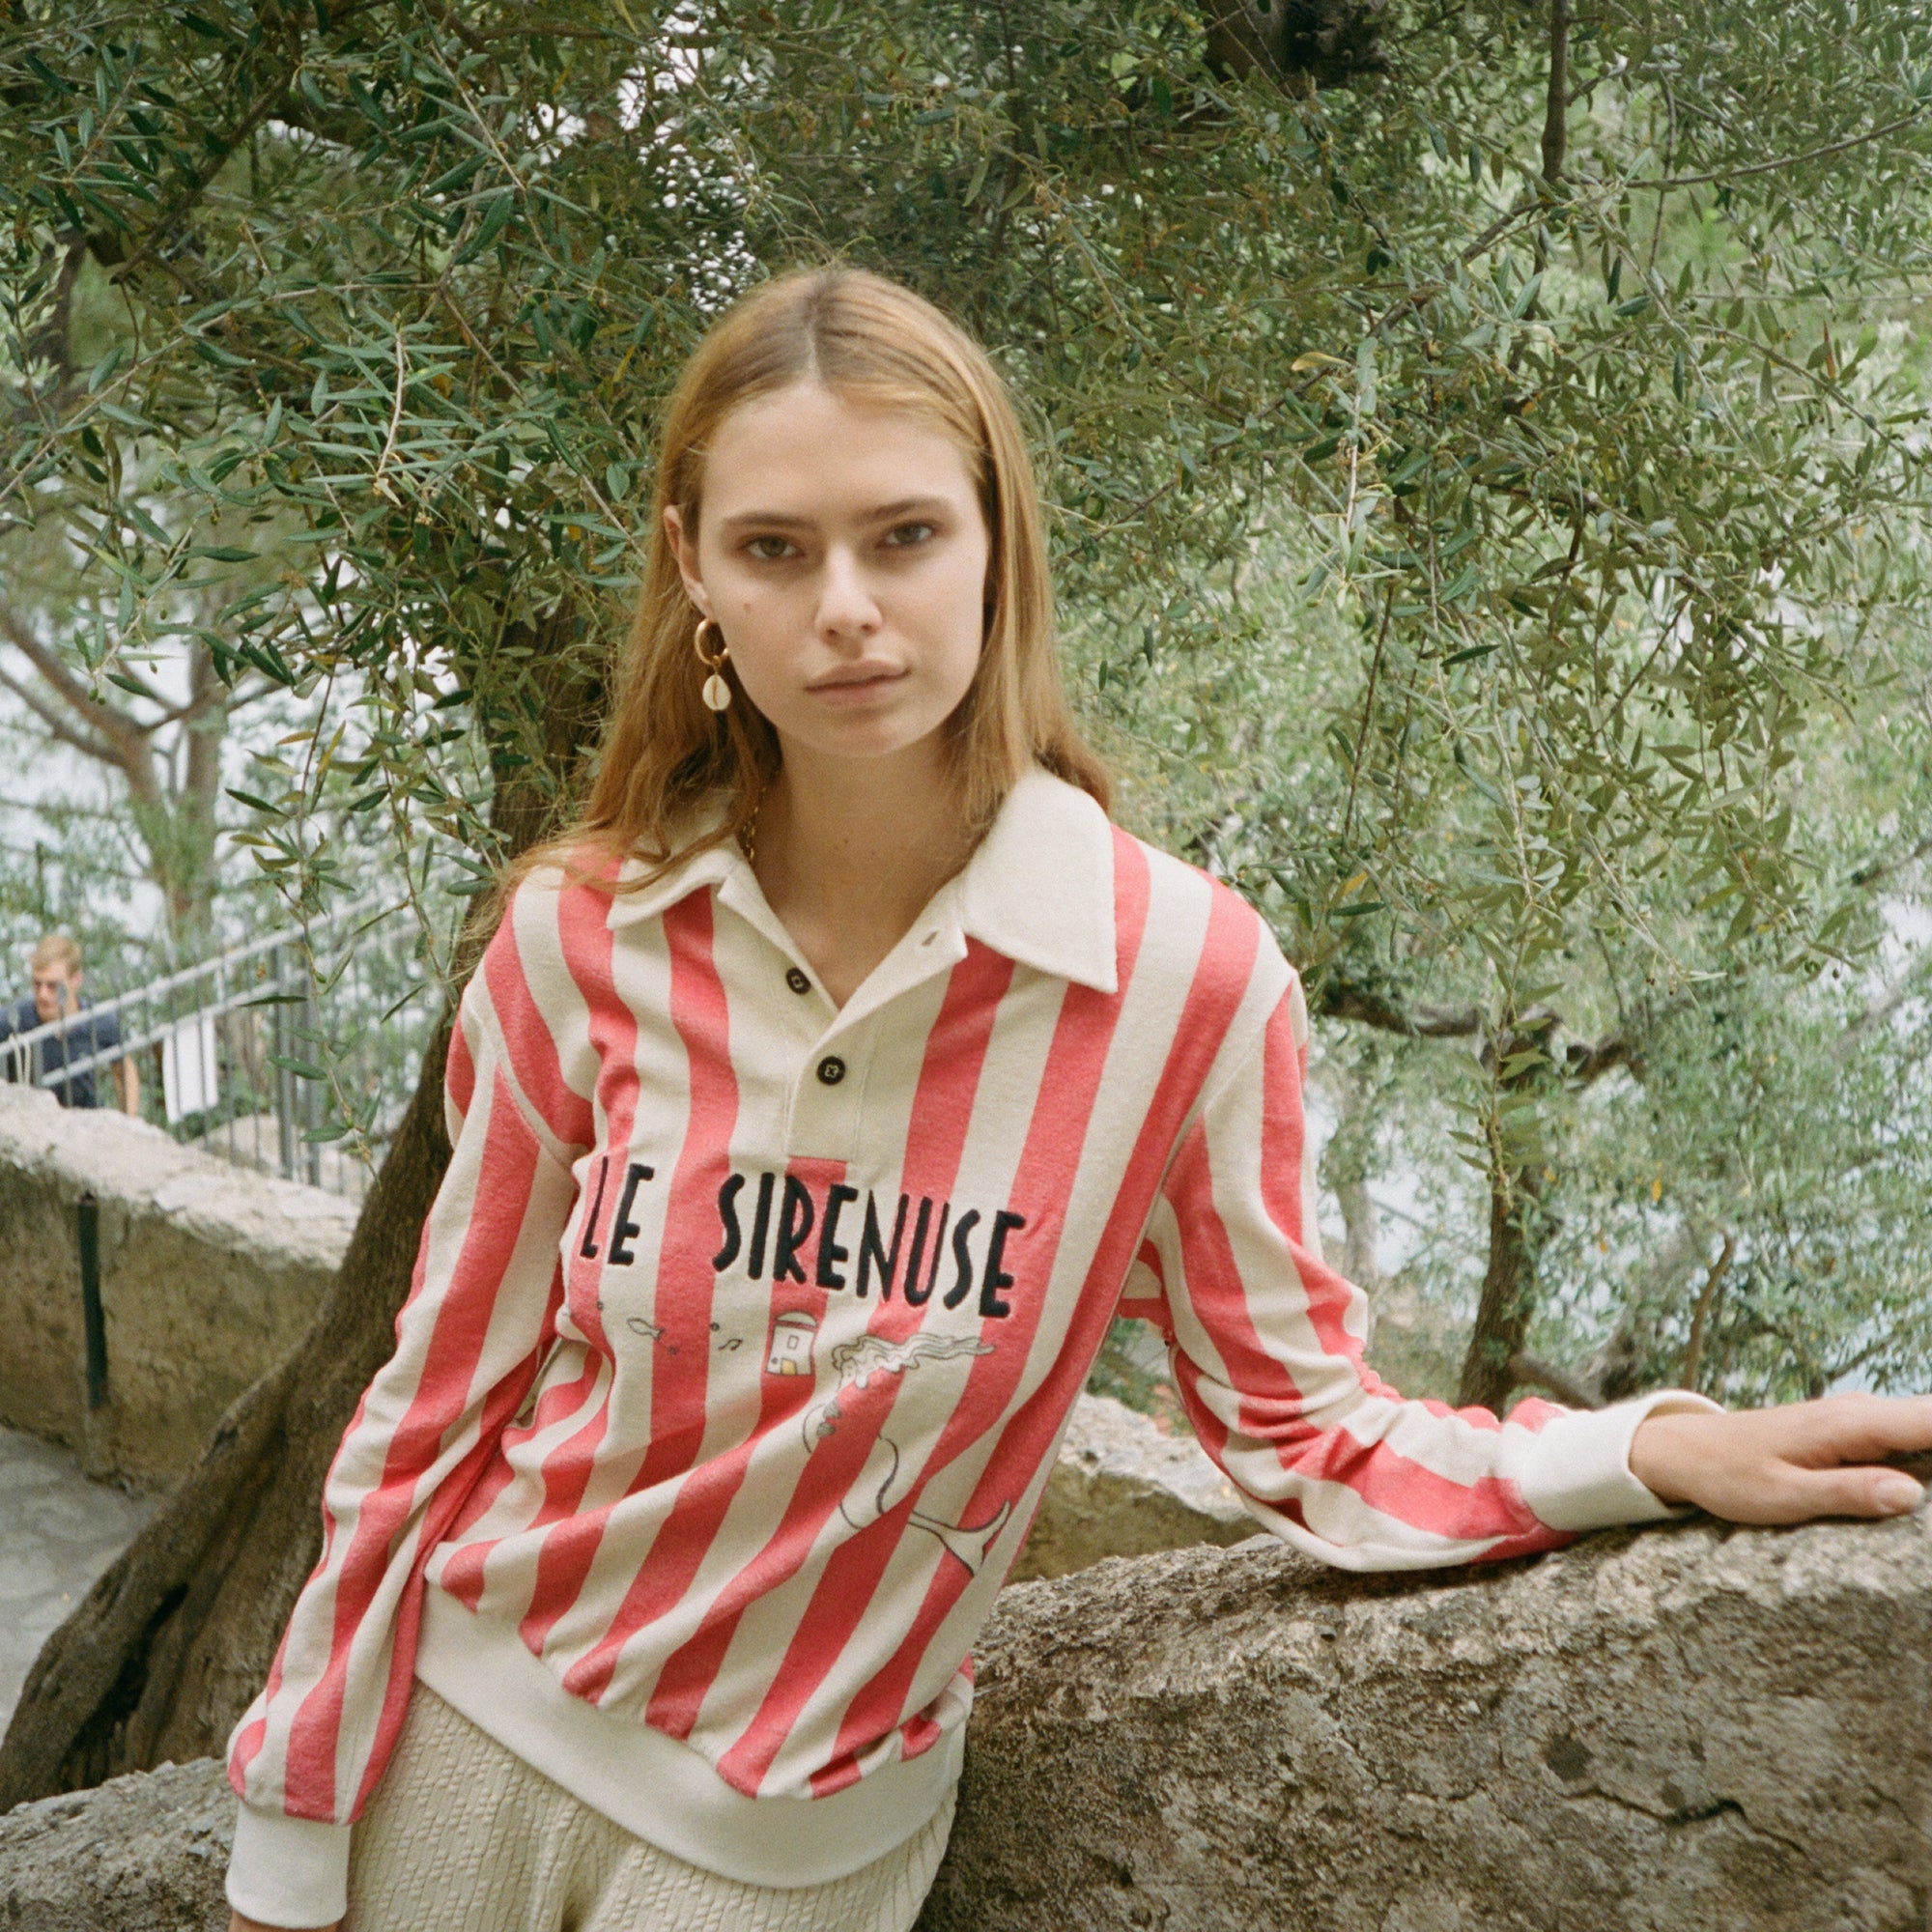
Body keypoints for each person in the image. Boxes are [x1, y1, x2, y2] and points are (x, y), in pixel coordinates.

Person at [223, 270, 1932, 1932]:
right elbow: (429, 1417)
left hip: (780, 1869)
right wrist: (288, 1843)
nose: (846, 608)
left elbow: (1308, 1435)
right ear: (695, 575)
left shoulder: (1181, 983)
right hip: (452, 1758)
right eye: (774, 548)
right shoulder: (577, 935)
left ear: (995, 542)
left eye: (905, 535)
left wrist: (1651, 1447)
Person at [0, 933, 139, 1115]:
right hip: (32, 1123)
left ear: (75, 980)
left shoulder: (97, 1021)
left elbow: (124, 1072)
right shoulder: (12, 1020)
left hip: (85, 1121)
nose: (43, 994)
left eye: (52, 986)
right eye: (37, 984)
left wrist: (129, 1123)